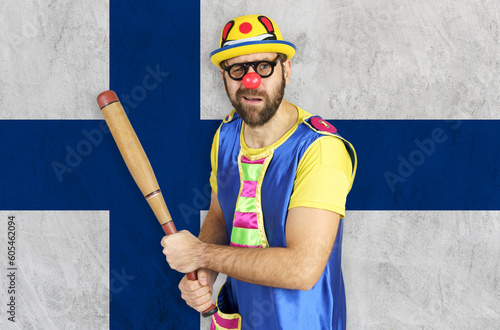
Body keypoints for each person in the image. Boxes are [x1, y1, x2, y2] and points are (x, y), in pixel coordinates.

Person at [161, 14, 357, 329]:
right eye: (238, 69)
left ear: (286, 70)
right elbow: (219, 215)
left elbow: (302, 269)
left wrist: (201, 254)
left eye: (264, 66)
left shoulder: (321, 150)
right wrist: (204, 276)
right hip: (241, 319)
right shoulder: (225, 136)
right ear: (223, 76)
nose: (251, 81)